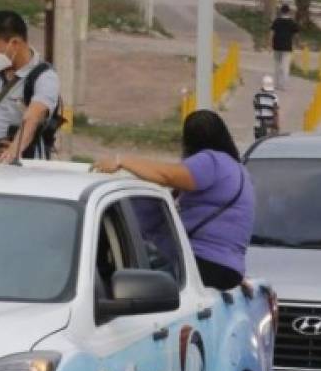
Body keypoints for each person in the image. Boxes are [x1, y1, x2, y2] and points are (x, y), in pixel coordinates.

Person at [93, 110, 255, 290]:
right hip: (228, 269)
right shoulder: (236, 170)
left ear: (189, 140)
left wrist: (121, 161)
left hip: (203, 263)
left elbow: (167, 175)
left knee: (126, 283)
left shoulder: (211, 161)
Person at [0, 11, 61, 162]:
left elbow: (33, 116)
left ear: (15, 44)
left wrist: (12, 152)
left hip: (22, 169)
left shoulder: (44, 77)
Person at [269, 4, 298, 91]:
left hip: (277, 46)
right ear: (289, 12)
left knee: (277, 65)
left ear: (281, 11)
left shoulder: (276, 21)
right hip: (287, 47)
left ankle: (276, 84)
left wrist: (270, 44)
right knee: (285, 66)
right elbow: (296, 35)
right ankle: (284, 85)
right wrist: (297, 44)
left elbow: (271, 33)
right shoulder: (292, 22)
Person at [253, 75, 280, 139]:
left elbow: (256, 107)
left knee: (258, 144)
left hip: (258, 126)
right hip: (269, 126)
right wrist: (277, 126)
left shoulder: (256, 96)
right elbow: (276, 112)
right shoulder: (274, 97)